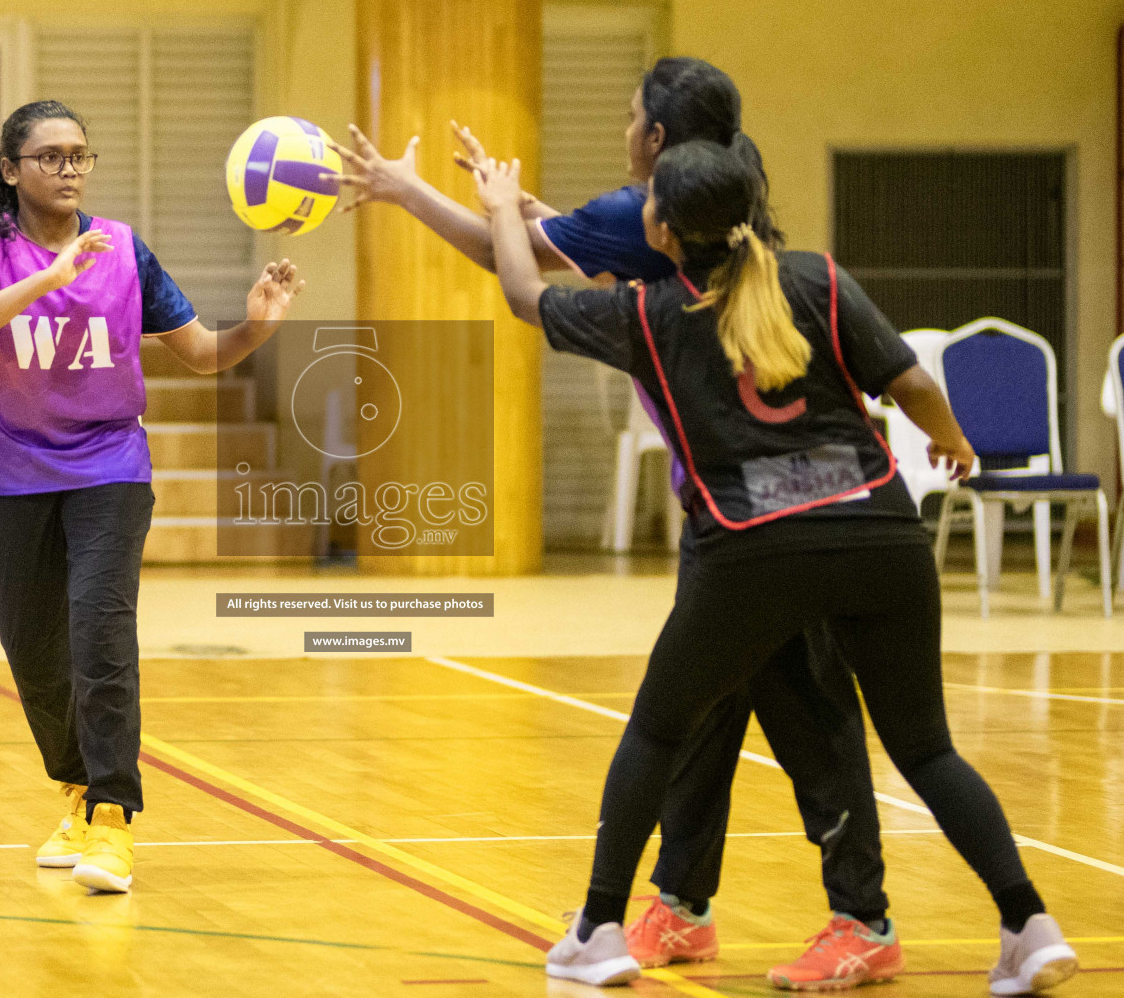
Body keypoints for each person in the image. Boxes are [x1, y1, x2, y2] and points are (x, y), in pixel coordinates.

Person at [329, 58, 900, 990]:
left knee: (807, 714)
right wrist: (511, 209)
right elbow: (553, 240)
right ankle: (680, 905)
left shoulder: (658, 215)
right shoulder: (722, 192)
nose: (622, 125)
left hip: (773, 514)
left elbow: (509, 265)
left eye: (632, 114)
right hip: (737, 505)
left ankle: (862, 915)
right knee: (704, 713)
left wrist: (409, 190)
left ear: (660, 142)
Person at [475, 138, 1079, 995]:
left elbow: (524, 295)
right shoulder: (816, 280)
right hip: (884, 538)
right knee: (928, 749)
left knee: (657, 729)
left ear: (663, 229)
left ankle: (597, 929)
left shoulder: (652, 312)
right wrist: (951, 439)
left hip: (756, 552)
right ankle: (1029, 922)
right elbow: (908, 380)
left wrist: (503, 207)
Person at [0, 99, 303, 895]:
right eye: (50, 156)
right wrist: (46, 280)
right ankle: (78, 791)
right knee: (36, 656)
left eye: (80, 156)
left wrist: (258, 326)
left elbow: (200, 354)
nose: (68, 170)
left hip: (108, 466)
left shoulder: (123, 249)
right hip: (10, 471)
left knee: (99, 631)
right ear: (10, 170)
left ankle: (116, 820)